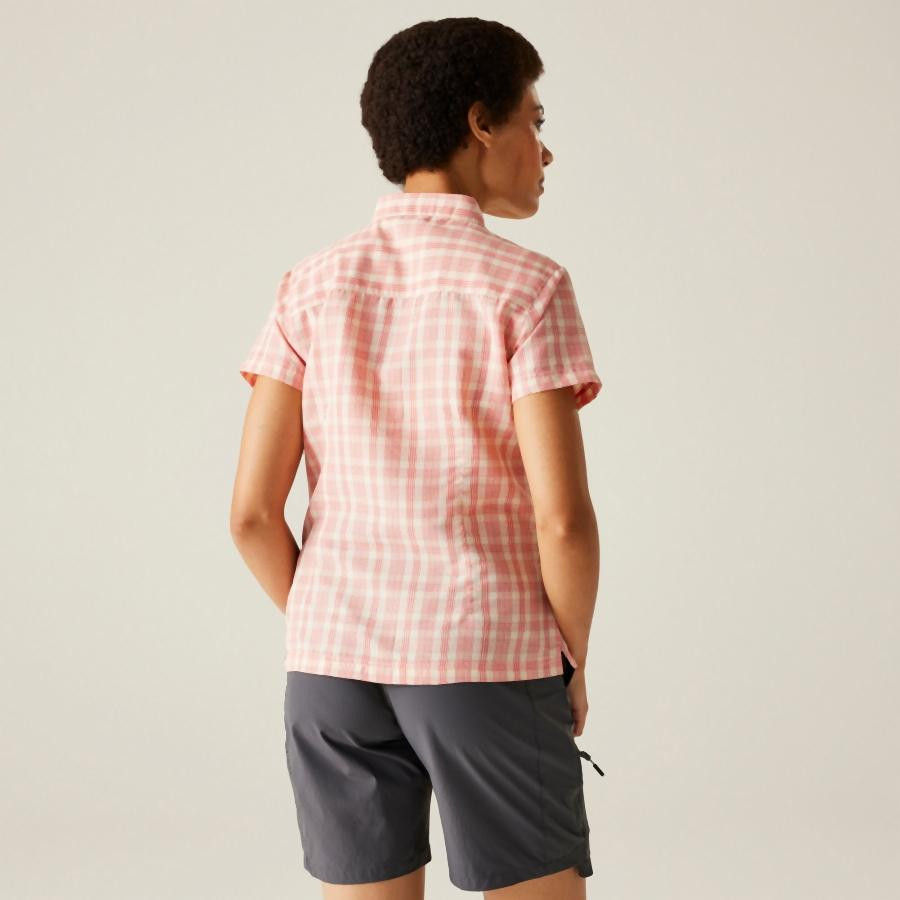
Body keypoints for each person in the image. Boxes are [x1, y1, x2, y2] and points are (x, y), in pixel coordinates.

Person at [230, 16, 604, 900]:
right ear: (481, 124)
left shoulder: (310, 285)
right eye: (535, 121)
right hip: (487, 656)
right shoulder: (528, 288)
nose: (545, 151)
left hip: (331, 670)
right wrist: (570, 658)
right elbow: (562, 518)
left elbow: (250, 516)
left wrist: (336, 617)